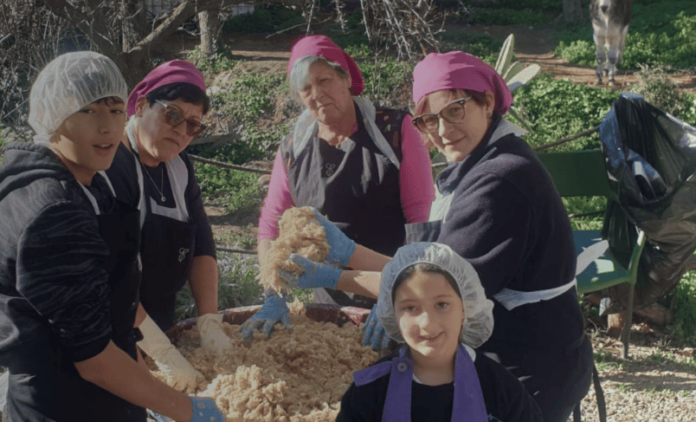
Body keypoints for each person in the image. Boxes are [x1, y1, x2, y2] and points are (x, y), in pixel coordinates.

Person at [281, 51, 593, 422]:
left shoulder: (499, 180)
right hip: (521, 349)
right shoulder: (479, 163)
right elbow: (432, 269)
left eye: (455, 110)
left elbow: (430, 290)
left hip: (527, 361)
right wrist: (349, 251)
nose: (442, 131)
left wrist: (336, 273)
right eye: (429, 120)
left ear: (487, 103)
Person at [0, 52, 223, 421]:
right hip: (66, 402)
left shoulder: (87, 182)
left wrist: (157, 359)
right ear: (52, 115)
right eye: (88, 111)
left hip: (112, 387)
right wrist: (186, 409)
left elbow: (108, 293)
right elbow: (93, 359)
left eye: (115, 110)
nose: (107, 128)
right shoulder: (53, 211)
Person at [240, 35, 434, 343]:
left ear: (345, 77)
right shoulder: (293, 149)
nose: (316, 94)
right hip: (325, 300)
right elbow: (270, 225)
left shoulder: (395, 131)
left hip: (395, 288)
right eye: (305, 88)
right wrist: (273, 292)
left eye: (324, 80)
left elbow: (421, 222)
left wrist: (399, 298)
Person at [104, 60, 232, 392]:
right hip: (113, 331)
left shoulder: (179, 167)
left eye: (193, 125)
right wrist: (161, 352)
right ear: (142, 104)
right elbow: (113, 279)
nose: (180, 130)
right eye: (171, 115)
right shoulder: (111, 166)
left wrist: (209, 320)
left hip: (158, 319)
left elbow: (202, 241)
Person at [336, 242, 542, 422]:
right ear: (392, 314)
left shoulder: (501, 391)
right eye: (410, 308)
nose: (427, 323)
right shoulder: (370, 391)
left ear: (464, 309)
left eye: (442, 305)